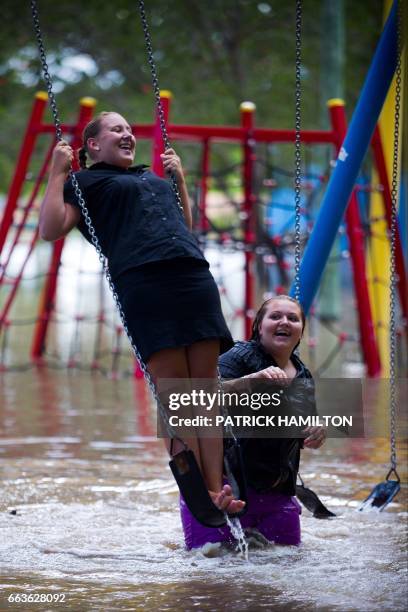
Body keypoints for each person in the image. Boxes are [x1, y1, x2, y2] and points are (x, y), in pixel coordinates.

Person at [39, 110, 245, 514]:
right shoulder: (84, 184)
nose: (128, 134)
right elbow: (50, 229)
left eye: (130, 129)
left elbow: (183, 227)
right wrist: (57, 173)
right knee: (177, 395)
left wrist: (179, 180)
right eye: (117, 129)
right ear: (93, 145)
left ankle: (217, 486)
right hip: (144, 282)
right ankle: (200, 494)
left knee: (205, 390)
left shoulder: (152, 177)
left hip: (192, 275)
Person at [180, 295, 326, 549]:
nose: (285, 322)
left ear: (301, 331)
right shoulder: (237, 356)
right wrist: (253, 380)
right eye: (276, 316)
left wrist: (315, 432)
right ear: (259, 326)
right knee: (211, 570)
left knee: (284, 568)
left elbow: (301, 432)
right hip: (223, 490)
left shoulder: (303, 374)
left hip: (277, 495)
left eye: (293, 318)